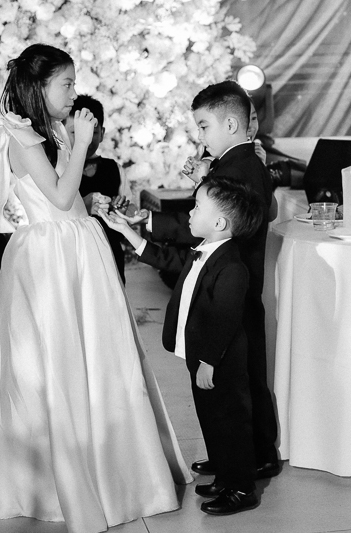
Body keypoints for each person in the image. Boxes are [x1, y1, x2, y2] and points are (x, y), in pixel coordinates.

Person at [0, 44, 191, 533]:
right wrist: (81, 141)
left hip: (74, 247)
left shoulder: (49, 130)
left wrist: (89, 202)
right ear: (38, 87)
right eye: (66, 84)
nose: (74, 94)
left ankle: (112, 465)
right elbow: (57, 195)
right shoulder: (21, 136)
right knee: (51, 358)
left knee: (94, 355)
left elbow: (66, 199)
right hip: (48, 258)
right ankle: (53, 477)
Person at [123, 80, 281, 480]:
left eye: (204, 126)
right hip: (227, 283)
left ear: (231, 124)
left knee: (240, 385)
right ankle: (234, 455)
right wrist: (204, 183)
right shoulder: (239, 163)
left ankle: (254, 455)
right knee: (230, 385)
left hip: (234, 289)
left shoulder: (242, 167)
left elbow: (227, 221)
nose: (200, 136)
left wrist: (155, 220)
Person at [100, 175, 266, 515]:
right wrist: (126, 231)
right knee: (210, 417)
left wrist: (209, 361)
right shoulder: (204, 250)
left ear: (219, 223)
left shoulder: (232, 268)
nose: (190, 213)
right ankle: (224, 473)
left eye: (197, 207)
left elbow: (225, 319)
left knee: (230, 422)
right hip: (201, 356)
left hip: (219, 361)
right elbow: (165, 258)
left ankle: (241, 487)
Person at [63, 94, 128, 282]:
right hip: (73, 253)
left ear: (102, 132)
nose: (87, 139)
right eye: (75, 132)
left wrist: (122, 209)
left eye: (94, 132)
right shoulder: (60, 170)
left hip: (109, 251)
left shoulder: (114, 169)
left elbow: (129, 208)